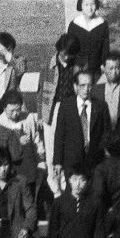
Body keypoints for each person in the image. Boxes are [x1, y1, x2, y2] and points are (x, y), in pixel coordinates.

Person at [40, 33, 81, 196]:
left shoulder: (78, 66)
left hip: (70, 108)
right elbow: (40, 90)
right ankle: (54, 187)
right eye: (65, 53)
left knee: (67, 148)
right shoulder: (49, 64)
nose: (67, 57)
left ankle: (66, 185)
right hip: (52, 108)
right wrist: (41, 115)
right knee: (51, 149)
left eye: (70, 54)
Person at [54, 68, 109, 177]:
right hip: (72, 162)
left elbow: (106, 132)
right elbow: (59, 135)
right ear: (75, 86)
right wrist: (58, 162)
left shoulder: (101, 106)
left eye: (89, 85)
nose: (86, 89)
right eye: (82, 85)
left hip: (94, 162)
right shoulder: (66, 106)